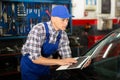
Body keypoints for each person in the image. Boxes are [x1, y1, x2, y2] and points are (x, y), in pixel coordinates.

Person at [20, 5, 90, 80]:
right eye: (63, 20)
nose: (66, 23)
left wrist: (80, 63)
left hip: (45, 66)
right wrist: (60, 61)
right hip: (30, 67)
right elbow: (35, 59)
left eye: (67, 20)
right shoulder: (39, 30)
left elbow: (67, 58)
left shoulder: (63, 35)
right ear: (53, 19)